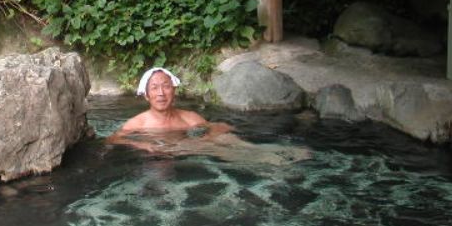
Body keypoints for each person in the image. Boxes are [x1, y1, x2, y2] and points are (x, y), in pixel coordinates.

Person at [107, 67, 311, 164]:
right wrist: (144, 145)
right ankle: (267, 160)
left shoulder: (189, 118)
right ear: (146, 95)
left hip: (189, 147)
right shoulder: (137, 123)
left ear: (174, 90)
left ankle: (269, 151)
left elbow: (211, 128)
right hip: (164, 156)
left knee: (224, 139)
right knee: (206, 147)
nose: (161, 93)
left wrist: (221, 129)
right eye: (154, 88)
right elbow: (113, 139)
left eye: (166, 86)